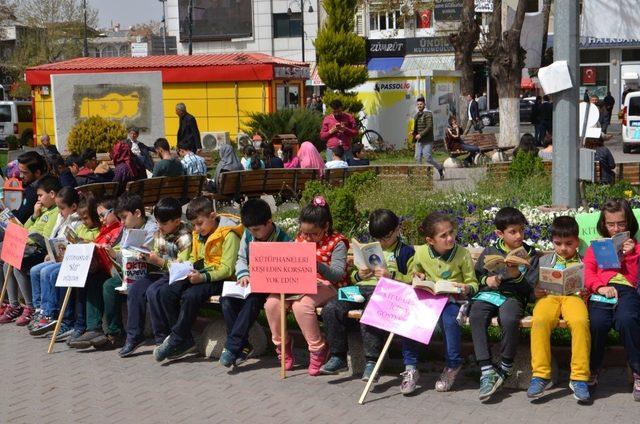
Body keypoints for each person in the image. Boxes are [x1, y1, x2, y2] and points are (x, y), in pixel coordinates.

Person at [320, 209, 414, 381]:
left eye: (386, 237)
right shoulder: (369, 249)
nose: (382, 242)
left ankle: (372, 361)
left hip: (385, 291)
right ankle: (338, 356)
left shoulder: (406, 252)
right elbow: (354, 277)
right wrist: (359, 275)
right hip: (361, 290)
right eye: (378, 239)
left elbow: (412, 280)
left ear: (397, 229)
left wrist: (391, 276)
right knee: (332, 307)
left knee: (371, 310)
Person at [264, 196, 348, 376]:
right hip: (299, 283)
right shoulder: (300, 239)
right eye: (304, 233)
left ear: (325, 227)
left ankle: (318, 348)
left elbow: (338, 274)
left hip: (328, 286)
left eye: (313, 234)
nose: (308, 238)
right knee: (272, 304)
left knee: (302, 306)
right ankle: (282, 345)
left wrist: (316, 264)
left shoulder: (337, 242)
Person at [152, 197, 242, 362]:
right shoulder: (198, 234)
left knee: (191, 295)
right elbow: (195, 257)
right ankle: (184, 339)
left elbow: (228, 268)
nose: (196, 228)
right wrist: (188, 268)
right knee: (166, 291)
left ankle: (177, 337)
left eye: (200, 223)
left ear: (213, 216)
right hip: (201, 274)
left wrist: (202, 277)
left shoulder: (229, 234)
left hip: (223, 279)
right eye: (194, 224)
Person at [401, 212, 478, 395]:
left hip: (453, 299)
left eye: (451, 233)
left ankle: (453, 364)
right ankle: (410, 367)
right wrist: (417, 276)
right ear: (430, 240)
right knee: (409, 319)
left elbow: (474, 283)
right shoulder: (420, 253)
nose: (450, 238)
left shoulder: (462, 254)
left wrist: (466, 288)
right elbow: (415, 272)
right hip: (428, 299)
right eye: (443, 236)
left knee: (450, 320)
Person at [470, 207, 539, 402]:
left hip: (513, 297)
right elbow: (477, 277)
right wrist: (487, 282)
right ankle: (486, 370)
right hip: (489, 295)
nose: (519, 235)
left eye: (522, 230)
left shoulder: (531, 254)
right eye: (513, 231)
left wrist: (516, 276)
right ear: (500, 233)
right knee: (476, 313)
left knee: (509, 318)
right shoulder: (490, 251)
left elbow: (530, 290)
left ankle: (505, 366)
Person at [72, 193, 157, 350]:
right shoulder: (127, 228)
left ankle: (118, 333)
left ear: (137, 213)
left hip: (145, 273)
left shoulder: (151, 229)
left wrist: (122, 255)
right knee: (99, 281)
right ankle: (100, 330)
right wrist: (112, 253)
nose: (122, 223)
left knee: (111, 285)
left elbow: (144, 256)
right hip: (127, 271)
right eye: (121, 218)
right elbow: (123, 255)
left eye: (124, 218)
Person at [219, 198, 291, 368]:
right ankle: (242, 345)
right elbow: (241, 258)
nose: (254, 233)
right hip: (249, 284)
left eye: (257, 230)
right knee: (226, 301)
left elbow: (287, 268)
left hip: (268, 288)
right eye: (251, 230)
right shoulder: (249, 234)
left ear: (269, 222)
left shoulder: (284, 239)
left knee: (252, 302)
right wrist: (243, 274)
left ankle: (232, 346)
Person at [526, 216, 590, 402]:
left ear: (577, 241)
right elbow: (534, 287)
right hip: (549, 297)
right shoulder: (545, 260)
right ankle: (540, 375)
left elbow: (589, 285)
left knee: (580, 322)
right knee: (540, 321)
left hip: (573, 298)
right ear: (552, 242)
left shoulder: (585, 262)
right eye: (558, 243)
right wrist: (537, 290)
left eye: (569, 243)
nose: (563, 248)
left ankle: (579, 377)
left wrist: (586, 291)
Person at [118, 197, 193, 357]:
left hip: (175, 275)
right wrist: (146, 253)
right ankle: (134, 336)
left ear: (177, 221)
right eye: (158, 222)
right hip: (160, 272)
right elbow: (158, 252)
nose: (159, 227)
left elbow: (182, 266)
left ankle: (162, 339)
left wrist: (158, 260)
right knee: (136, 289)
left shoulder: (185, 235)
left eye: (163, 224)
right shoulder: (160, 231)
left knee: (153, 292)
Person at [584, 199, 640, 401]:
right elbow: (588, 273)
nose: (616, 228)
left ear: (629, 224)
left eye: (621, 224)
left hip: (627, 290)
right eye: (611, 224)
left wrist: (630, 254)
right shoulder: (595, 248)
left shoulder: (636, 248)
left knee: (627, 320)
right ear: (603, 225)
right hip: (601, 291)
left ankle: (637, 371)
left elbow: (634, 277)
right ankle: (593, 369)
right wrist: (599, 286)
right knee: (597, 323)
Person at [29, 191, 101, 340]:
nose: (84, 221)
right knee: (44, 271)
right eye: (82, 218)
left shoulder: (97, 231)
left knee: (57, 275)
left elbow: (97, 247)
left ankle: (65, 320)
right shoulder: (80, 227)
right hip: (72, 263)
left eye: (86, 218)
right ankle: (47, 313)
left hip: (86, 268)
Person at [0, 176, 61, 325]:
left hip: (40, 249)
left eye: (40, 195)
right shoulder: (43, 210)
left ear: (52, 194)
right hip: (28, 245)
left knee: (16, 263)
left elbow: (45, 236)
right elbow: (25, 228)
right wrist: (34, 216)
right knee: (8, 261)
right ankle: (13, 305)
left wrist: (28, 238)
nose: (38, 199)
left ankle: (30, 306)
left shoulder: (54, 212)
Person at [67, 199, 123, 348]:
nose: (101, 219)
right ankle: (93, 328)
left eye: (103, 215)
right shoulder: (106, 230)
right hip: (105, 269)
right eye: (99, 216)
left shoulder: (120, 229)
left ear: (114, 212)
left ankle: (114, 332)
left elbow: (121, 252)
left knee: (107, 285)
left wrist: (109, 252)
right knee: (92, 279)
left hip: (120, 272)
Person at [27, 186, 81, 335]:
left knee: (47, 272)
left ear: (73, 207)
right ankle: (40, 309)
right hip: (57, 257)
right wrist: (51, 251)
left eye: (62, 208)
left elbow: (71, 244)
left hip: (68, 259)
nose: (59, 211)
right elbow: (54, 237)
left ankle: (50, 312)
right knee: (35, 270)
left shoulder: (77, 220)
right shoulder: (61, 216)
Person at [413, 97, 444, 179]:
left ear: (424, 104)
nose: (419, 106)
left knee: (428, 158)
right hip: (419, 140)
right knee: (417, 157)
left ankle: (440, 168)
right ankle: (420, 177)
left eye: (421, 104)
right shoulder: (416, 115)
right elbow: (417, 127)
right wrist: (413, 133)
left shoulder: (428, 114)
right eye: (418, 104)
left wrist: (421, 134)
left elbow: (429, 126)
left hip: (427, 140)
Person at [13, 151, 47, 223]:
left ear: (37, 173)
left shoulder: (34, 192)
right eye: (20, 171)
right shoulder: (42, 182)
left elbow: (19, 219)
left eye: (25, 172)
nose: (21, 176)